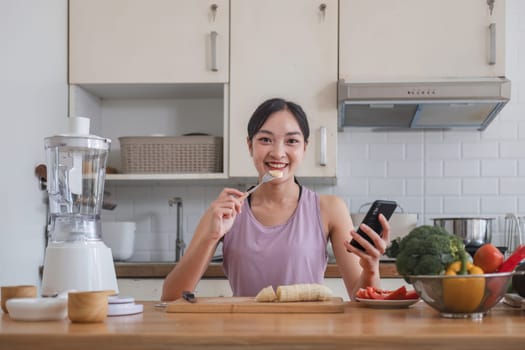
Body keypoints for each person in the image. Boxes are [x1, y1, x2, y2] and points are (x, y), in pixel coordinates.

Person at [161, 98, 390, 301]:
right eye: (265, 140)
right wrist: (211, 237)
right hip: (243, 340)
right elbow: (171, 297)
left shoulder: (329, 209)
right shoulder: (225, 212)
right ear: (250, 145)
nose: (278, 153)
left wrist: (371, 269)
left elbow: (361, 301)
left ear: (305, 148)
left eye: (291, 141)